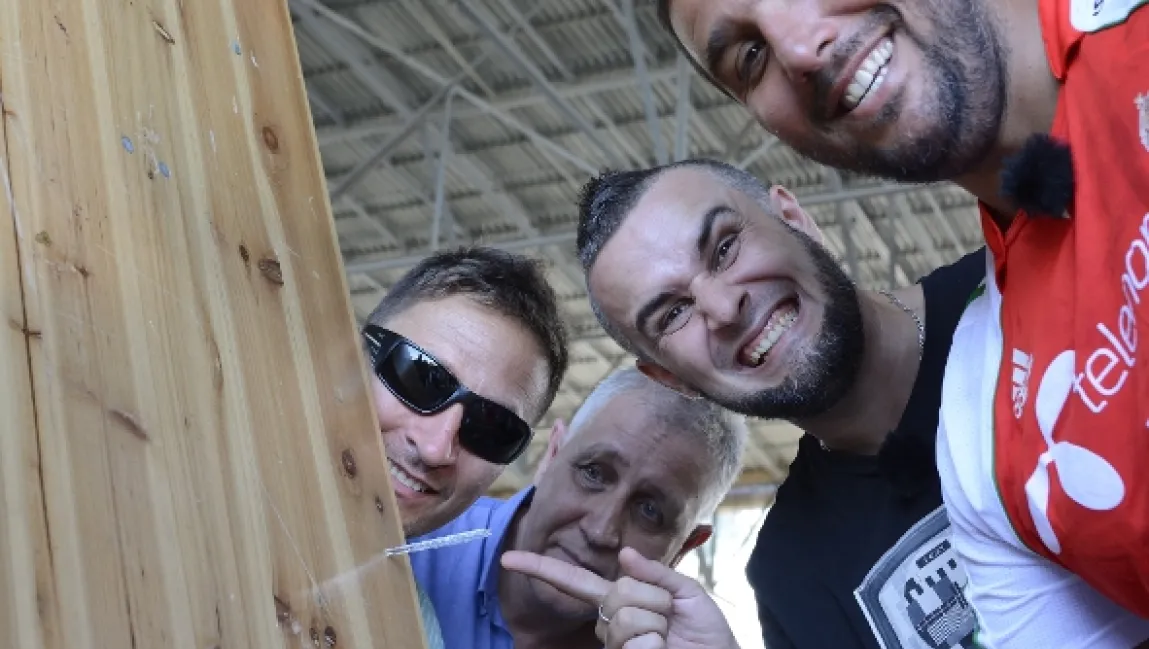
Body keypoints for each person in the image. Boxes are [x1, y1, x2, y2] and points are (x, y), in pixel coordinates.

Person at [651, 0, 1149, 645]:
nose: (799, 48)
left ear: (795, 219)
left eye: (724, 248)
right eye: (751, 56)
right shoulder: (984, 423)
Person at [572, 157, 987, 649]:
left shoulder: (1023, 288)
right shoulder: (791, 572)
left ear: (794, 219)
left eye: (724, 248)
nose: (724, 308)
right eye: (674, 313)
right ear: (671, 378)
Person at [406, 367, 748, 649]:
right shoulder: (411, 544)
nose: (600, 531)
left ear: (684, 548)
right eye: (593, 473)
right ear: (552, 453)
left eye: (649, 511)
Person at [358, 246, 569, 649]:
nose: (436, 449)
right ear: (354, 352)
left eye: (492, 427)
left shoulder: (416, 629)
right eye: (421, 377)